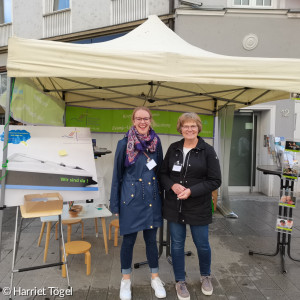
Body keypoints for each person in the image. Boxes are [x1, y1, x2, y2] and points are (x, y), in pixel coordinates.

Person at [159, 112, 221, 299]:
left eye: (193, 125)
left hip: (198, 205)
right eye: (186, 126)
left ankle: (205, 276)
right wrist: (172, 185)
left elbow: (215, 180)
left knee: (202, 244)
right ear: (180, 128)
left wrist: (191, 191)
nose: (189, 129)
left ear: (198, 128)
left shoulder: (207, 150)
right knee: (176, 245)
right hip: (174, 205)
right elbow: (162, 174)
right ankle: (180, 281)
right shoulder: (173, 148)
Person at [110, 107, 166, 300]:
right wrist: (115, 205)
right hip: (130, 198)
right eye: (139, 118)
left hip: (152, 198)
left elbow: (160, 172)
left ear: (151, 120)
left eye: (146, 118)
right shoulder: (124, 143)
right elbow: (117, 176)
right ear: (133, 120)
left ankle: (155, 277)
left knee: (151, 241)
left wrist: (165, 197)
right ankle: (125, 280)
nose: (143, 122)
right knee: (129, 241)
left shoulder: (157, 142)